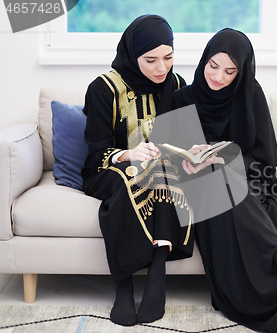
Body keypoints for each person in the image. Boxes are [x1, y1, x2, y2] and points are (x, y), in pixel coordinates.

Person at [172, 28, 277, 333]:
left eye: (230, 71)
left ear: (241, 71)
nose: (218, 77)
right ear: (203, 60)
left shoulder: (250, 93)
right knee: (214, 179)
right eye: (213, 66)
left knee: (225, 177)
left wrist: (226, 156)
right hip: (196, 186)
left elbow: (267, 157)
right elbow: (171, 157)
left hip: (249, 178)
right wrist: (186, 161)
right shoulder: (181, 98)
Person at [81, 15, 191, 327]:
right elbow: (95, 152)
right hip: (108, 169)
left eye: (168, 57)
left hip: (160, 170)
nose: (162, 68)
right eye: (151, 60)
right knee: (129, 176)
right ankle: (123, 285)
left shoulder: (177, 84)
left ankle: (158, 274)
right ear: (133, 55)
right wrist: (129, 154)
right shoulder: (103, 89)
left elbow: (182, 139)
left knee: (165, 171)